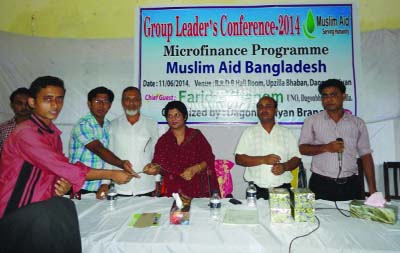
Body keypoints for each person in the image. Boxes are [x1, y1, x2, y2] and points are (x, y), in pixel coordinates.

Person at [0, 76, 135, 252]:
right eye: (47, 99)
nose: (55, 105)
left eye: (59, 99)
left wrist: (61, 185)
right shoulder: (26, 133)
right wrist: (111, 174)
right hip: (19, 211)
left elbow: (53, 171)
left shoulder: (52, 134)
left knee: (66, 210)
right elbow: (66, 167)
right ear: (32, 102)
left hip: (44, 206)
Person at [299, 79, 377, 201]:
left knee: (352, 219)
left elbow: (366, 155)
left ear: (343, 96)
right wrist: (326, 148)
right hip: (321, 183)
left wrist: (373, 190)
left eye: (333, 94)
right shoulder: (312, 121)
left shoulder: (357, 123)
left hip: (350, 184)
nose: (329, 99)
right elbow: (302, 148)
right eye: (325, 96)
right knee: (320, 219)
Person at [69, 86, 135, 199]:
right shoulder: (84, 124)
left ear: (110, 105)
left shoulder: (109, 125)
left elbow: (110, 155)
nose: (101, 105)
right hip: (81, 186)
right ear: (89, 104)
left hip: (101, 188)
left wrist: (105, 183)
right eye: (97, 101)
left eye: (105, 102)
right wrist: (121, 163)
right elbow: (98, 150)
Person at [144, 101, 219, 199]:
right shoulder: (163, 141)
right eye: (169, 116)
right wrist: (153, 168)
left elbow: (209, 158)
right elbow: (159, 164)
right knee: (175, 213)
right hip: (174, 191)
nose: (173, 119)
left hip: (198, 189)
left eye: (177, 115)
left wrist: (195, 168)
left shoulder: (196, 136)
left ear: (184, 116)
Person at [235, 96, 301, 199]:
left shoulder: (287, 133)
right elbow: (239, 159)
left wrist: (284, 167)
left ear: (276, 110)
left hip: (282, 189)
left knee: (283, 216)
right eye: (260, 107)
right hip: (256, 190)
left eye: (268, 106)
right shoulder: (249, 132)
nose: (263, 109)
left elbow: (296, 158)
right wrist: (263, 159)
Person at [109, 87, 160, 196]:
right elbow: (108, 155)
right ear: (122, 102)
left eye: (136, 99)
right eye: (127, 99)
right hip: (120, 186)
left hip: (146, 186)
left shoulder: (151, 124)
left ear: (141, 102)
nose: (131, 103)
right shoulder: (113, 125)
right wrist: (105, 183)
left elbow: (157, 153)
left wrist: (157, 180)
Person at [0, 87, 31, 156]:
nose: (24, 107)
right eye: (19, 103)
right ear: (12, 105)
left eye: (27, 103)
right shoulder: (3, 128)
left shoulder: (41, 128)